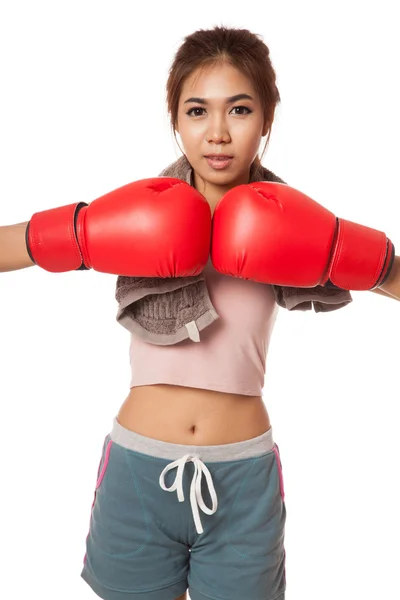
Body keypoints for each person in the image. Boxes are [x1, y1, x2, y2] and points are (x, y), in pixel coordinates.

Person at [1, 25, 399, 600]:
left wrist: (371, 259)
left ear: (266, 119)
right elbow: (28, 246)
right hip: (141, 469)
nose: (217, 133)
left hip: (241, 477)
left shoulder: (292, 223)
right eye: (197, 111)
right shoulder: (140, 213)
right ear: (176, 120)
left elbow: (385, 277)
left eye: (239, 109)